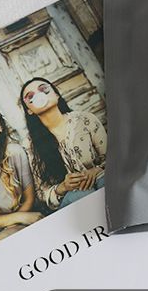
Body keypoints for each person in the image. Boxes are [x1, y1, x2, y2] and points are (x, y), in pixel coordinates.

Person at [20, 77, 106, 211]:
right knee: (81, 194)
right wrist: (63, 187)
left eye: (44, 89)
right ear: (29, 110)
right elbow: (41, 192)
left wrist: (97, 170)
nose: (39, 96)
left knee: (105, 180)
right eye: (30, 96)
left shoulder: (85, 119)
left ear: (56, 95)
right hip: (73, 198)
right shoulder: (30, 144)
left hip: (101, 179)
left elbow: (114, 157)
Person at [0, 104, 43, 242]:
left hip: (25, 215)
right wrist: (16, 218)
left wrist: (17, 220)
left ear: (1, 127)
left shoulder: (15, 153)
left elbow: (29, 198)